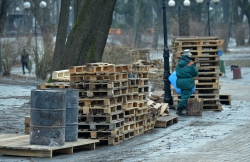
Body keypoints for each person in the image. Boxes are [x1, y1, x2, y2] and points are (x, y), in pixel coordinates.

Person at [176, 49, 198, 115]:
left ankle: (183, 107)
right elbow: (194, 73)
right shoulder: (190, 63)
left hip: (180, 81)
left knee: (184, 95)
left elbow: (177, 72)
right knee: (185, 96)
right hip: (187, 82)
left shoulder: (178, 63)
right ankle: (179, 109)